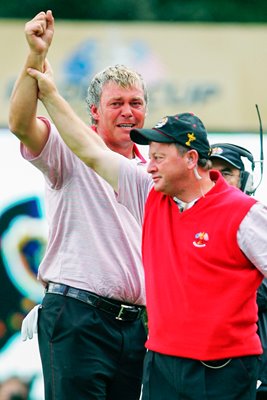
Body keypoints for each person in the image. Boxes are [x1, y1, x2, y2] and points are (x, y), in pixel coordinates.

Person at [24, 59, 267, 400]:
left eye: (159, 156)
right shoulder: (150, 194)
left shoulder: (243, 213)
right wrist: (49, 93)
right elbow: (89, 149)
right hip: (161, 365)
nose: (147, 165)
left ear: (191, 160)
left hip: (223, 369)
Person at [9, 10, 148, 400]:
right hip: (77, 316)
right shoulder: (68, 147)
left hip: (134, 325)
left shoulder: (152, 168)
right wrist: (36, 55)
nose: (127, 112)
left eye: (135, 102)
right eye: (116, 103)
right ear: (94, 111)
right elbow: (20, 122)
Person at [210, 143, 267, 400]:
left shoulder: (257, 221)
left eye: (227, 172)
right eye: (212, 171)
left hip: (253, 357)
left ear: (246, 180)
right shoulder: (183, 220)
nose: (218, 179)